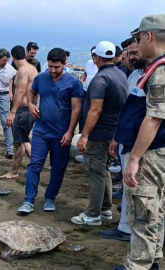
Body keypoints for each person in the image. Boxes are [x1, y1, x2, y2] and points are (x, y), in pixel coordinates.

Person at [115, 15, 165, 270]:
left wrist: (134, 158)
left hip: (152, 152)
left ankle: (139, 264)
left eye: (138, 38)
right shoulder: (154, 67)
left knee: (143, 210)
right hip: (155, 151)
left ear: (148, 36)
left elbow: (154, 117)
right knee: (155, 208)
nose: (136, 43)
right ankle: (153, 259)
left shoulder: (160, 69)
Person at [17, 48, 83, 214]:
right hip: (41, 130)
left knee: (58, 167)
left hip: (62, 133)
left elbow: (76, 110)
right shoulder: (42, 78)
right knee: (35, 164)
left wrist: (70, 132)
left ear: (65, 64)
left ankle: (50, 198)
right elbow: (31, 92)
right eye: (51, 66)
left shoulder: (73, 83)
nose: (53, 70)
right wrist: (31, 105)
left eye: (57, 67)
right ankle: (28, 200)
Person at [100, 36, 151, 243]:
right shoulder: (134, 75)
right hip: (126, 139)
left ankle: (134, 233)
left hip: (141, 145)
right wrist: (116, 137)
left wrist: (136, 154)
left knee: (141, 192)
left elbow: (153, 118)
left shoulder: (153, 75)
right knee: (130, 191)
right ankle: (124, 227)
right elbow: (126, 111)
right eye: (128, 53)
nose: (130, 57)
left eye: (134, 52)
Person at [72, 41, 127, 226]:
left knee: (96, 172)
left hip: (99, 133)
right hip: (112, 131)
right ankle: (105, 209)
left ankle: (93, 213)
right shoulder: (120, 75)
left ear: (96, 57)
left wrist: (85, 135)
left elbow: (95, 110)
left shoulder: (100, 80)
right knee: (103, 170)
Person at [0, 45, 37, 179]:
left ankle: (14, 171)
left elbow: (21, 91)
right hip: (29, 108)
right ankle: (36, 164)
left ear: (13, 58)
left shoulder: (22, 71)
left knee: (18, 143)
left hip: (23, 110)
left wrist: (13, 112)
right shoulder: (32, 69)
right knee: (24, 140)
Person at [79, 47, 98, 133]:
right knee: (82, 112)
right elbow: (85, 74)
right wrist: (81, 81)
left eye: (95, 55)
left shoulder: (100, 65)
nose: (93, 57)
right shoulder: (89, 63)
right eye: (92, 55)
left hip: (95, 93)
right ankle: (81, 131)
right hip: (85, 90)